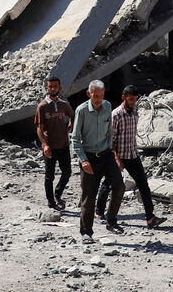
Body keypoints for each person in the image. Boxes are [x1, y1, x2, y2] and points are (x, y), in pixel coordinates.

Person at [96, 85, 167, 229]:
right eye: (131, 99)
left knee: (143, 185)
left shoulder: (135, 112)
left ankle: (150, 218)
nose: (133, 102)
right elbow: (110, 140)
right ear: (124, 98)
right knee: (108, 184)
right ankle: (99, 212)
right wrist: (117, 159)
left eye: (135, 99)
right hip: (119, 156)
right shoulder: (116, 115)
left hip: (133, 155)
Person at [71, 79, 125, 243]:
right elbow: (75, 138)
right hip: (89, 158)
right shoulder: (81, 110)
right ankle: (86, 232)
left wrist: (114, 154)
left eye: (101, 96)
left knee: (119, 186)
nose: (98, 100)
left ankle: (111, 221)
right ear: (89, 94)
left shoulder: (107, 106)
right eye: (95, 96)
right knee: (89, 197)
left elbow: (110, 132)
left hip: (106, 155)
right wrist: (83, 160)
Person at [35, 76, 73, 210]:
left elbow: (73, 115)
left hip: (64, 145)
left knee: (67, 172)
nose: (53, 89)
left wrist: (70, 126)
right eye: (50, 86)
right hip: (50, 147)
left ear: (59, 88)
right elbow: (39, 127)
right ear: (47, 88)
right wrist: (44, 145)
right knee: (49, 177)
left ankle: (58, 193)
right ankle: (51, 203)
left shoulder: (63, 104)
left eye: (55, 86)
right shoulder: (42, 106)